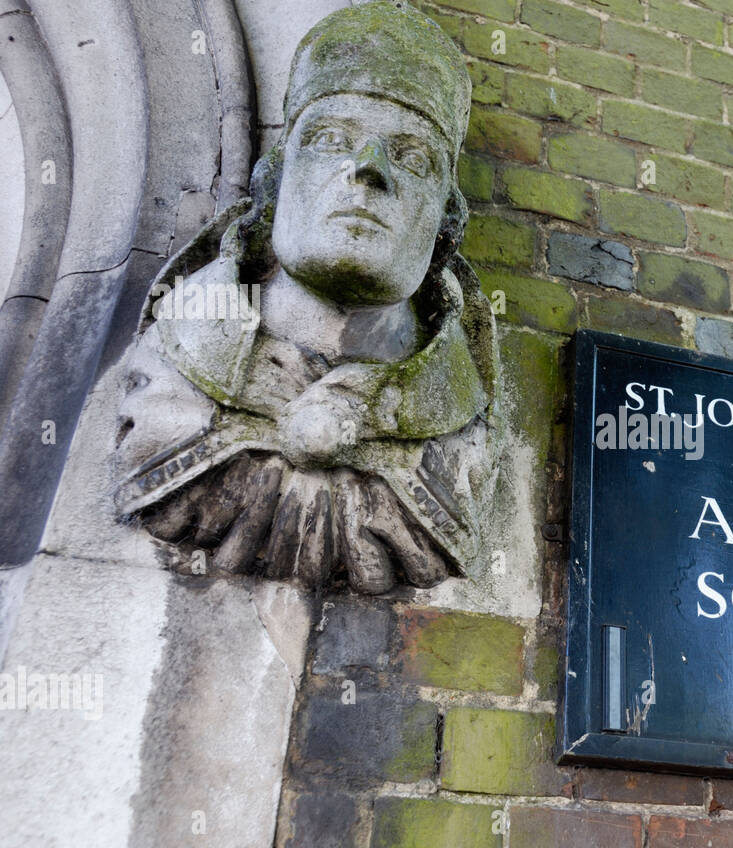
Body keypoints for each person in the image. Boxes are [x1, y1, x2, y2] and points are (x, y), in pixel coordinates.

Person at [113, 1, 499, 595]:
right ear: (275, 179)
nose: (368, 171)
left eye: (412, 156)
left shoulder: (453, 453)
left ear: (447, 219)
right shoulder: (170, 380)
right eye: (328, 138)